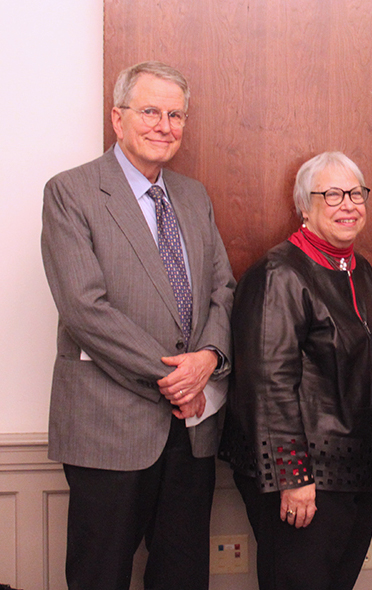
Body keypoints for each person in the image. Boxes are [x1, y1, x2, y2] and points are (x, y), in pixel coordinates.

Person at [40, 61, 235, 589]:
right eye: (149, 111)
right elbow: (85, 309)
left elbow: (224, 291)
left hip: (191, 431)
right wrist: (178, 377)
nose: (164, 125)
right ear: (117, 118)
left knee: (182, 575)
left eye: (176, 115)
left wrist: (210, 360)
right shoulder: (71, 192)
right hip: (109, 427)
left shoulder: (194, 197)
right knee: (99, 575)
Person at [221, 151, 372, 590]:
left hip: (354, 471)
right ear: (305, 206)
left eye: (356, 194)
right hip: (304, 478)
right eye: (333, 195)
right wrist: (293, 477)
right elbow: (268, 386)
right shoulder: (277, 273)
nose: (349, 205)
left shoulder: (359, 269)